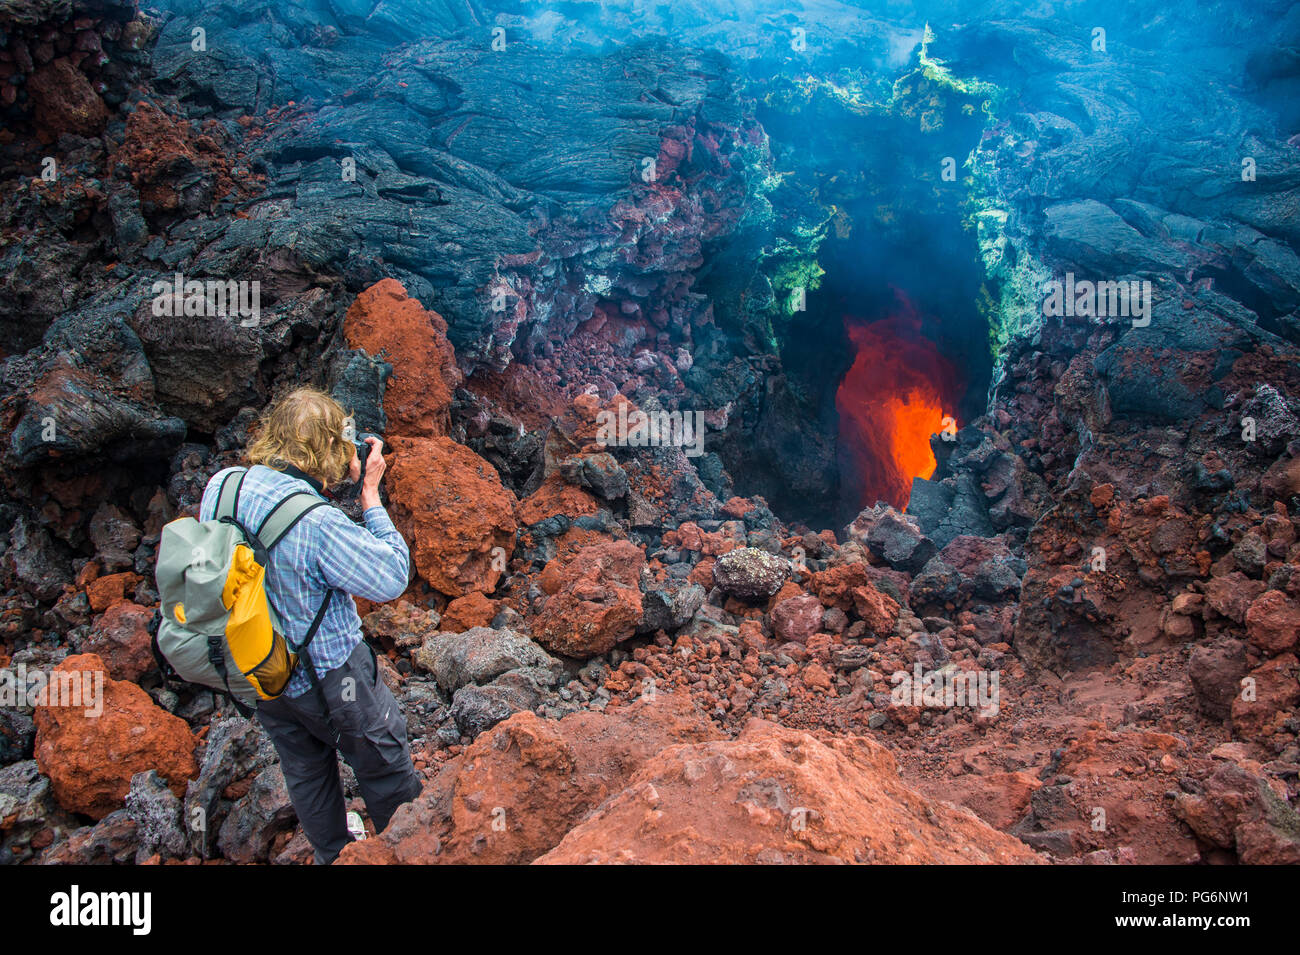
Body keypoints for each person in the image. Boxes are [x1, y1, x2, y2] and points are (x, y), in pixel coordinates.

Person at [199, 386, 421, 864]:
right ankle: (410, 853)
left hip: (261, 666)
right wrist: (370, 497)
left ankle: (334, 856)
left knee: (305, 768)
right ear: (332, 448)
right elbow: (390, 576)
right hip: (333, 676)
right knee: (383, 763)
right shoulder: (317, 522)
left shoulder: (222, 485)